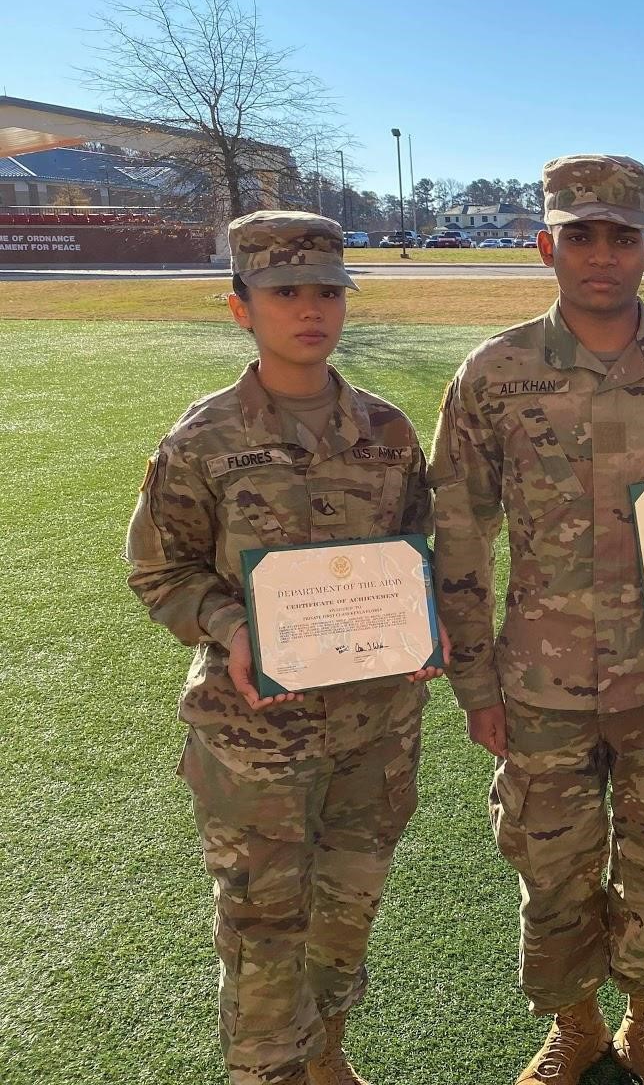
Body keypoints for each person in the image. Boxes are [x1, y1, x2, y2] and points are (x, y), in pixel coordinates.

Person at [429, 155, 644, 1085]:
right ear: (546, 246)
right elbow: (458, 530)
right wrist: (473, 681)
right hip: (541, 680)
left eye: (620, 237)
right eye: (580, 235)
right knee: (551, 866)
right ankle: (575, 1026)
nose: (601, 255)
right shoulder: (495, 373)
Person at [125, 211, 446, 1085]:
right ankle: (269, 1072)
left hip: (377, 729)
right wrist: (230, 629)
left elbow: (417, 553)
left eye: (328, 292)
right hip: (255, 737)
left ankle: (327, 1056)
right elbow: (161, 573)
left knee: (347, 912)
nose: (311, 310)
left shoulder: (389, 432)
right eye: (284, 293)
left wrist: (425, 623)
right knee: (263, 933)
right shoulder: (204, 439)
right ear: (241, 308)